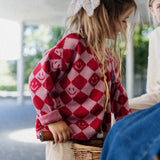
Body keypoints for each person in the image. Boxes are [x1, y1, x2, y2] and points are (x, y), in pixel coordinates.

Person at [29, 0, 137, 159]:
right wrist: (52, 120)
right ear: (105, 18)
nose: (126, 26)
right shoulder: (72, 44)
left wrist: (126, 131)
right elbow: (37, 81)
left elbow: (119, 98)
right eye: (123, 20)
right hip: (63, 139)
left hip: (95, 143)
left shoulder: (109, 58)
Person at [129, 0, 160, 112]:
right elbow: (152, 84)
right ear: (152, 11)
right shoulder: (154, 36)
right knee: (123, 108)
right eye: (159, 6)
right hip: (156, 97)